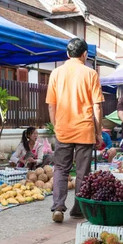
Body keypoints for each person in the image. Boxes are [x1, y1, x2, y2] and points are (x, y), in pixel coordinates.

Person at [46, 38, 104, 223]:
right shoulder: (91, 73)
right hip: (84, 130)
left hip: (63, 130)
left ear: (67, 54)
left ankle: (58, 207)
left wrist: (56, 127)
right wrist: (98, 131)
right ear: (85, 54)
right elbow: (97, 107)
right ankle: (78, 209)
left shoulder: (55, 73)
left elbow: (51, 106)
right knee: (82, 173)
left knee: (61, 170)